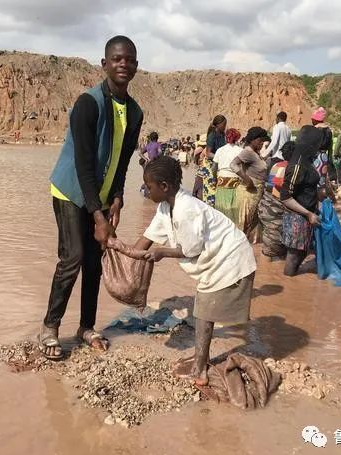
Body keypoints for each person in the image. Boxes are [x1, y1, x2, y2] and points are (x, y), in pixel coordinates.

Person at [39, 35, 144, 360]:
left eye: (128, 59)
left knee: (94, 263)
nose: (122, 64)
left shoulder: (136, 112)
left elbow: (123, 162)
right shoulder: (88, 103)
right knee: (72, 258)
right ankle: (50, 328)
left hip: (99, 195)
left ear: (136, 67)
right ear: (105, 64)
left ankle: (86, 327)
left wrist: (117, 200)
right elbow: (84, 165)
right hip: (71, 190)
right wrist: (97, 217)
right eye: (116, 59)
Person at [113, 156, 256, 386]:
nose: (145, 190)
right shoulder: (164, 207)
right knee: (203, 309)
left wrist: (162, 253)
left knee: (203, 313)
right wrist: (117, 249)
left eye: (148, 187)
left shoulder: (186, 209)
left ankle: (199, 370)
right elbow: (144, 243)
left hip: (230, 258)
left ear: (164, 186)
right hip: (215, 260)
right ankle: (202, 358)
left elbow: (191, 249)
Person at [280, 126, 324, 276]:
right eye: (318, 146)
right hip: (297, 217)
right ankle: (288, 286)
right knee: (294, 256)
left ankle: (292, 280)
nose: (319, 150)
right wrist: (308, 214)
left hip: (306, 215)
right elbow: (285, 197)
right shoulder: (297, 166)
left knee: (303, 252)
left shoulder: (305, 161)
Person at [229, 126, 270, 241]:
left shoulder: (255, 154)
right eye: (260, 140)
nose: (262, 143)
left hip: (255, 195)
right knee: (242, 228)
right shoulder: (247, 152)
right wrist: (246, 179)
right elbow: (233, 164)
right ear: (252, 139)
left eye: (263, 141)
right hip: (247, 195)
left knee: (249, 227)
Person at [258, 141, 295, 260]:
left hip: (266, 208)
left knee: (270, 244)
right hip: (275, 212)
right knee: (271, 249)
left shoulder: (276, 165)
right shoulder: (292, 169)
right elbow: (282, 192)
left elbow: (271, 187)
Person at [213, 128, 242, 222]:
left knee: (221, 207)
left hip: (221, 180)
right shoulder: (240, 151)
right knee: (234, 208)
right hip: (235, 181)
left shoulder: (219, 150)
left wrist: (215, 179)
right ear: (237, 138)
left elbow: (214, 168)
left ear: (226, 138)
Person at [200, 115, 227, 206]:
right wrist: (219, 157)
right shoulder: (212, 136)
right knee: (211, 189)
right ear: (218, 125)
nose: (225, 126)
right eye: (223, 124)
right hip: (210, 164)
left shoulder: (223, 135)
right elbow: (208, 153)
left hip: (218, 162)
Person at [310, 107, 335, 196]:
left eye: (312, 119)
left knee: (312, 180)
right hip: (324, 158)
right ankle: (321, 199)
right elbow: (330, 147)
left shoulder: (314, 129)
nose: (311, 120)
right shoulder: (329, 130)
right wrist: (330, 159)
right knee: (321, 181)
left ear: (316, 120)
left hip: (315, 157)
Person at [192, 135, 207, 199]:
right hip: (206, 173)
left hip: (199, 173)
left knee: (197, 193)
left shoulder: (197, 150)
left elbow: (195, 162)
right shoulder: (207, 150)